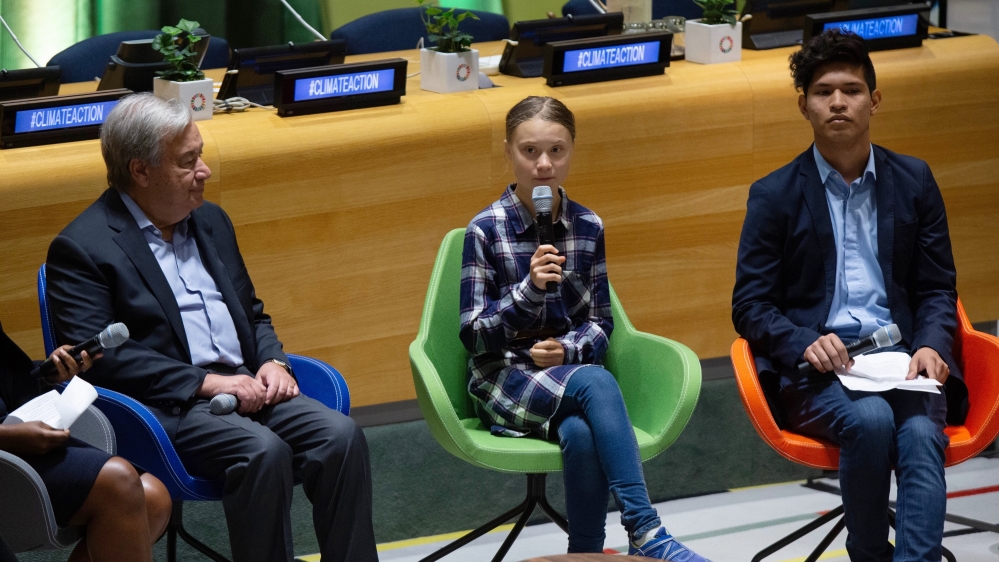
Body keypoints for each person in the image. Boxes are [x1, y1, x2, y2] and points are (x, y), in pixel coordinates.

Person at [44, 93, 377, 562]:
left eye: (199, 156)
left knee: (340, 437)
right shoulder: (82, 247)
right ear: (141, 171)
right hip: (169, 406)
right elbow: (103, 358)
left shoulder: (211, 221)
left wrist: (273, 360)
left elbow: (251, 312)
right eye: (188, 161)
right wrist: (208, 383)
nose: (205, 171)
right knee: (262, 452)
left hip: (247, 385)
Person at [732, 29, 967, 561]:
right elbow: (750, 306)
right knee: (871, 420)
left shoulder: (914, 180)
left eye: (852, 90)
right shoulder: (774, 195)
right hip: (819, 370)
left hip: (902, 360)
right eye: (823, 92)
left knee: (919, 435)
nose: (838, 102)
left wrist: (931, 344)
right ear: (804, 106)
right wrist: (803, 341)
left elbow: (936, 286)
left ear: (874, 100)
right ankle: (868, 552)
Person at [460, 96, 710, 561]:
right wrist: (529, 291)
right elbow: (473, 336)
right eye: (529, 151)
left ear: (572, 150)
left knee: (580, 433)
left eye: (556, 151)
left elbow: (600, 322)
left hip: (566, 375)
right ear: (509, 152)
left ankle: (585, 553)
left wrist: (568, 350)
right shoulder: (484, 230)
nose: (544, 164)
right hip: (504, 376)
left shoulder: (587, 225)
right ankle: (646, 530)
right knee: (596, 380)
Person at [0, 320, 170, 562]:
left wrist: (47, 373)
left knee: (153, 498)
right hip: (8, 445)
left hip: (18, 430)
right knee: (118, 481)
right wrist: (7, 437)